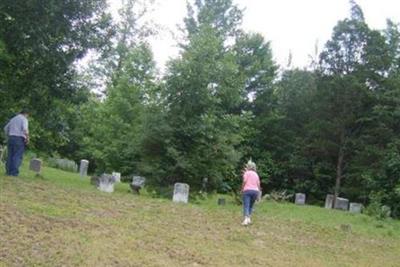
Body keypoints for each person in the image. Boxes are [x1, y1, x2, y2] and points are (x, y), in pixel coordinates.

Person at [3, 110, 29, 176]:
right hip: (19, 139)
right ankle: (14, 173)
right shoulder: (24, 119)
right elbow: (25, 129)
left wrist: (8, 135)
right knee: (17, 156)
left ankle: (8, 172)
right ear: (26, 114)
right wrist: (27, 138)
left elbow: (5, 128)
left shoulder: (13, 119)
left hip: (11, 138)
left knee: (10, 155)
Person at [241, 159, 261, 226]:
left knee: (246, 205)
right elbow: (258, 184)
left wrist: (242, 188)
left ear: (249, 167)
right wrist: (258, 194)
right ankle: (249, 219)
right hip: (255, 191)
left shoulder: (247, 173)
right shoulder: (256, 174)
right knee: (251, 206)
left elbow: (244, 181)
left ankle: (246, 220)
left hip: (247, 190)